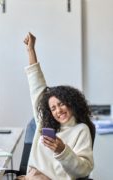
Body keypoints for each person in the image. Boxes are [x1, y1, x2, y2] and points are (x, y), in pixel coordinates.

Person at [18, 32, 95, 180]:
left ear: (71, 103)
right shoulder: (44, 123)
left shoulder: (81, 130)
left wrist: (63, 150)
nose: (58, 110)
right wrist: (30, 50)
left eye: (61, 104)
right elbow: (36, 86)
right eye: (53, 108)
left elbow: (84, 170)